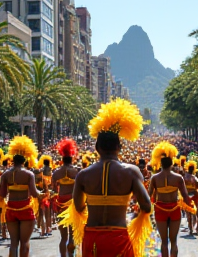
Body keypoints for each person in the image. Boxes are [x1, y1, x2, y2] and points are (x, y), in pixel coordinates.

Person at [59, 98, 152, 257]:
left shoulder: (83, 174)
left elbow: (78, 207)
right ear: (119, 147)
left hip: (92, 238)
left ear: (97, 148)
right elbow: (147, 206)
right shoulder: (132, 172)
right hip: (119, 236)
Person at [0, 135, 45, 257]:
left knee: (13, 243)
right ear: (25, 160)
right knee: (24, 243)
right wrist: (42, 194)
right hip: (25, 209)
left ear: (13, 160)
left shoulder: (5, 175)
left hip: (11, 209)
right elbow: (34, 193)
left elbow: (2, 194)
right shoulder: (29, 174)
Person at [148, 141, 190, 257]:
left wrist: (143, 211)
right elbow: (185, 196)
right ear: (171, 163)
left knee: (164, 242)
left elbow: (149, 195)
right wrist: (192, 209)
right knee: (174, 241)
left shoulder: (155, 178)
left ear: (161, 164)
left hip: (160, 210)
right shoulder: (178, 178)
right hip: (174, 209)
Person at [52, 138, 78, 257]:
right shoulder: (76, 172)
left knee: (63, 237)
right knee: (72, 235)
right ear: (72, 158)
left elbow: (53, 190)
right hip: (73, 205)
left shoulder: (56, 173)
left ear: (62, 159)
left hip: (61, 204)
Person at [184, 159, 198, 235]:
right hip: (193, 196)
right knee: (194, 212)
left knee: (189, 213)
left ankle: (191, 228)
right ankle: (193, 228)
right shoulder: (195, 178)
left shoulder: (184, 177)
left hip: (188, 196)